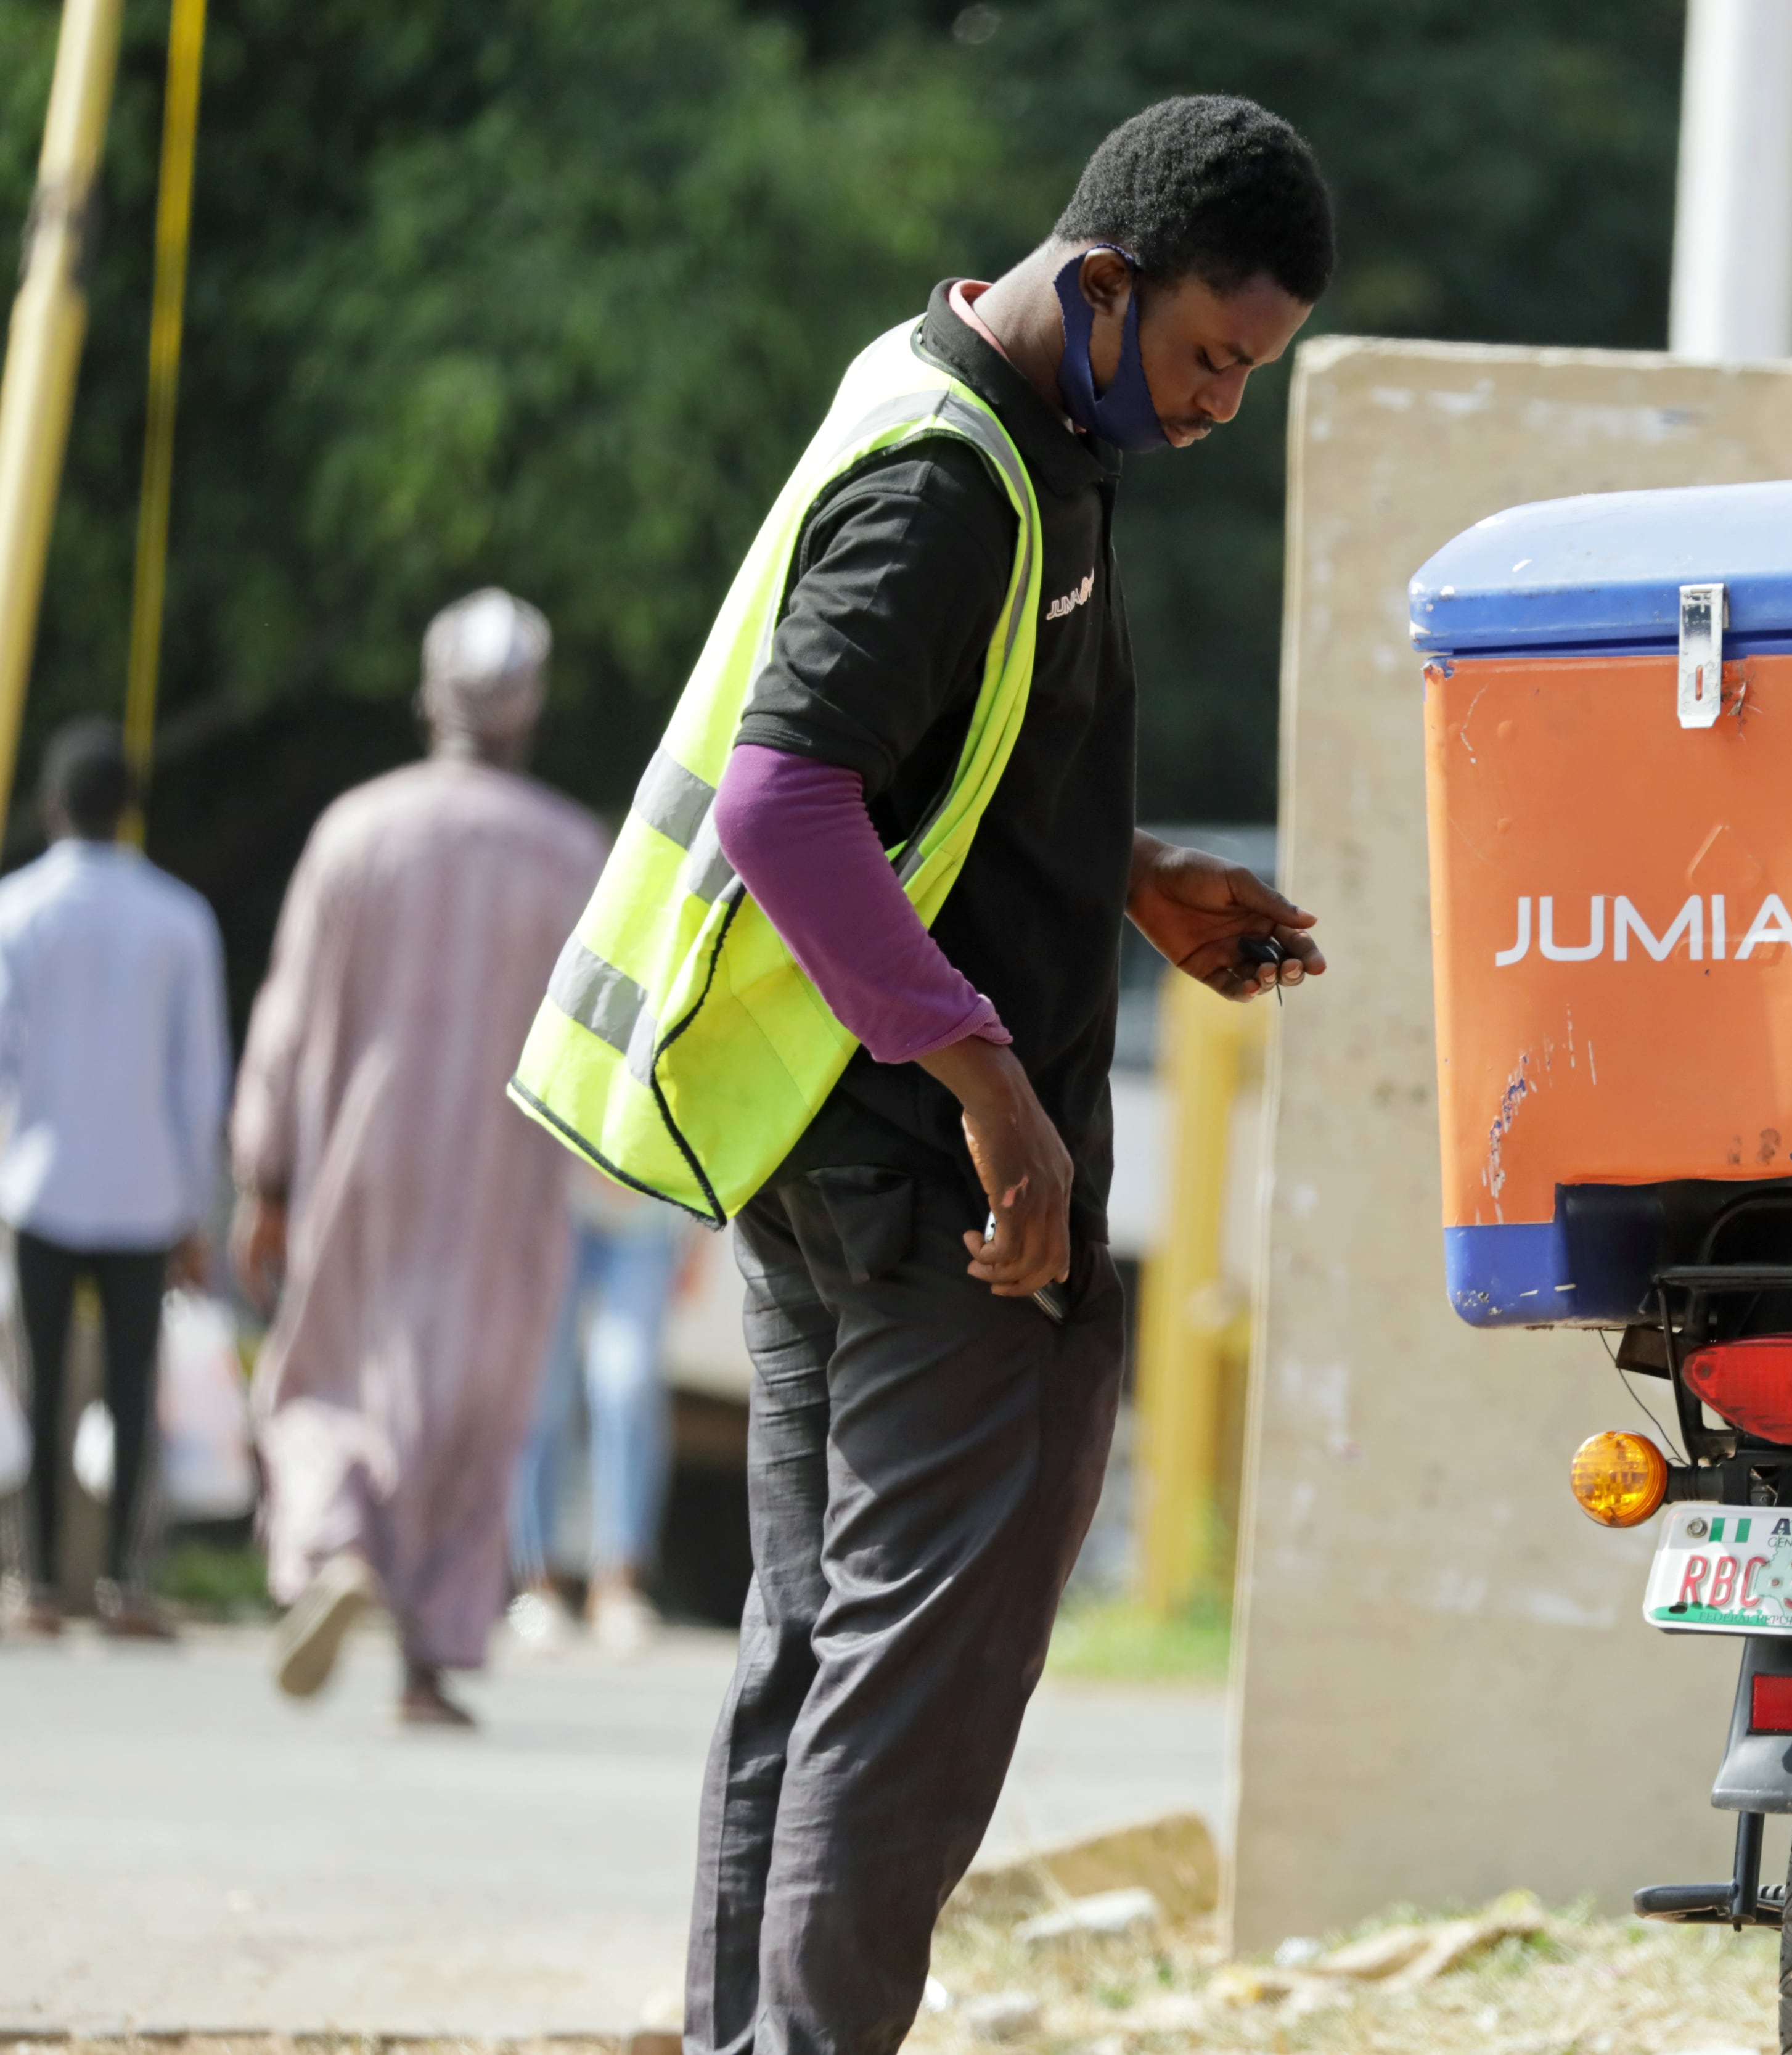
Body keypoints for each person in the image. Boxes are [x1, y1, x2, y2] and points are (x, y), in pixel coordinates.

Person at [505, 95, 1330, 2053]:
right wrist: (992, 1084)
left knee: (814, 1662)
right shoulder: (957, 479)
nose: (1222, 408)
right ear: (1108, 287)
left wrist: (1125, 880)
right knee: (904, 1696)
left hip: (830, 1162)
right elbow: (792, 802)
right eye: (1213, 357)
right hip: (923, 1188)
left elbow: (922, 777)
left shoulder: (990, 411)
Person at [234, 589, 607, 1726]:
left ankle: (332, 1544)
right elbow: (609, 1038)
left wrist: (265, 1173)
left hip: (362, 1166)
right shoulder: (571, 851)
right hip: (511, 1177)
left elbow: (290, 1017)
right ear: (529, 711)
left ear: (427, 696)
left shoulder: (355, 829)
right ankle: (431, 1662)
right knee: (474, 1398)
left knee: (330, 1375)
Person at [0, 720, 229, 1638]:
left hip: (37, 1184)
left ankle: (40, 1582)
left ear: (54, 805)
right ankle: (127, 1584)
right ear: (129, 811)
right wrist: (196, 1205)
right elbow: (199, 1077)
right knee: (133, 1391)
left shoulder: (15, 910)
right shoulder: (179, 917)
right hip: (146, 1191)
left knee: (40, 1387)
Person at [506, 1162, 688, 1653]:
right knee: (544, 1393)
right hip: (557, 1203)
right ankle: (538, 1584)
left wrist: (703, 1232)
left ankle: (619, 1583)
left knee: (626, 1385)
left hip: (654, 1206)